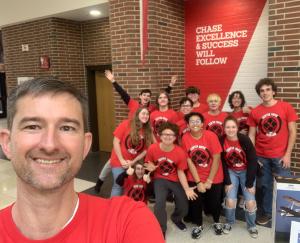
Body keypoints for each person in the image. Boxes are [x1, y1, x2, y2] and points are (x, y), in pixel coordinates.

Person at [0, 77, 164, 242]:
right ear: (7, 143)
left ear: (85, 146)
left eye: (66, 128)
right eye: (32, 126)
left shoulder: (129, 220)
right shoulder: (127, 122)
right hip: (119, 159)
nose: (49, 145)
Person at [94, 70, 177, 193]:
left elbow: (162, 99)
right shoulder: (133, 104)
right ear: (140, 96)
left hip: (140, 142)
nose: (146, 97)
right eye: (144, 95)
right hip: (127, 137)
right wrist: (113, 81)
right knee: (111, 162)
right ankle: (100, 181)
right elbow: (122, 94)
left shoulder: (152, 108)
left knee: (138, 166)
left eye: (148, 96)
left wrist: (170, 86)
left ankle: (139, 189)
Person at [248, 78, 298, 226]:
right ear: (259, 94)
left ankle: (287, 215)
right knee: (265, 186)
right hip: (261, 157)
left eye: (268, 89)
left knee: (284, 185)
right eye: (262, 91)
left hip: (281, 156)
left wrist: (288, 153)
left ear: (274, 91)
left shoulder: (286, 107)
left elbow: (293, 131)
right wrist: (253, 156)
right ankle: (268, 213)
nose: (265, 93)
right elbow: (251, 135)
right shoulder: (255, 112)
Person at [144, 122, 197, 238]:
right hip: (160, 179)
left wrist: (187, 189)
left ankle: (176, 218)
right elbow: (149, 162)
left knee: (184, 205)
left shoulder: (180, 152)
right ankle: (161, 227)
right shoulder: (153, 148)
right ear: (160, 135)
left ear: (175, 137)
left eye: (171, 135)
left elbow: (180, 171)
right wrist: (150, 166)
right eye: (165, 134)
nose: (168, 137)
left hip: (175, 179)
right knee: (159, 204)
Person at [181, 112, 224, 239]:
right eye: (192, 121)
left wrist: (209, 180)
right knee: (195, 202)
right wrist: (199, 182)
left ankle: (217, 221)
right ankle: (198, 224)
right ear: (188, 125)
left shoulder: (211, 135)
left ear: (202, 124)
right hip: (195, 176)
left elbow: (216, 159)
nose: (195, 123)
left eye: (197, 121)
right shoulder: (185, 138)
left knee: (215, 202)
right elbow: (189, 161)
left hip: (214, 175)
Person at [219, 116, 258, 238]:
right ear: (224, 128)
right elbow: (222, 162)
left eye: (233, 127)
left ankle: (251, 226)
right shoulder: (221, 140)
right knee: (230, 200)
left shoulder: (244, 139)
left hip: (247, 171)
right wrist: (227, 181)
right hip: (231, 171)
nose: (230, 129)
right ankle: (229, 222)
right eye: (228, 127)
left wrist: (250, 183)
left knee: (250, 202)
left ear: (237, 128)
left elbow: (252, 161)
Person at [110, 107, 153, 197]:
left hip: (133, 162)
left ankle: (125, 207)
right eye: (143, 113)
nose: (145, 116)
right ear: (137, 115)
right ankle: (112, 209)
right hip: (118, 160)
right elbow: (115, 141)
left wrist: (133, 162)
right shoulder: (126, 124)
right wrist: (122, 160)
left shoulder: (147, 130)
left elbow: (145, 150)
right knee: (118, 185)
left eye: (147, 114)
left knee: (129, 186)